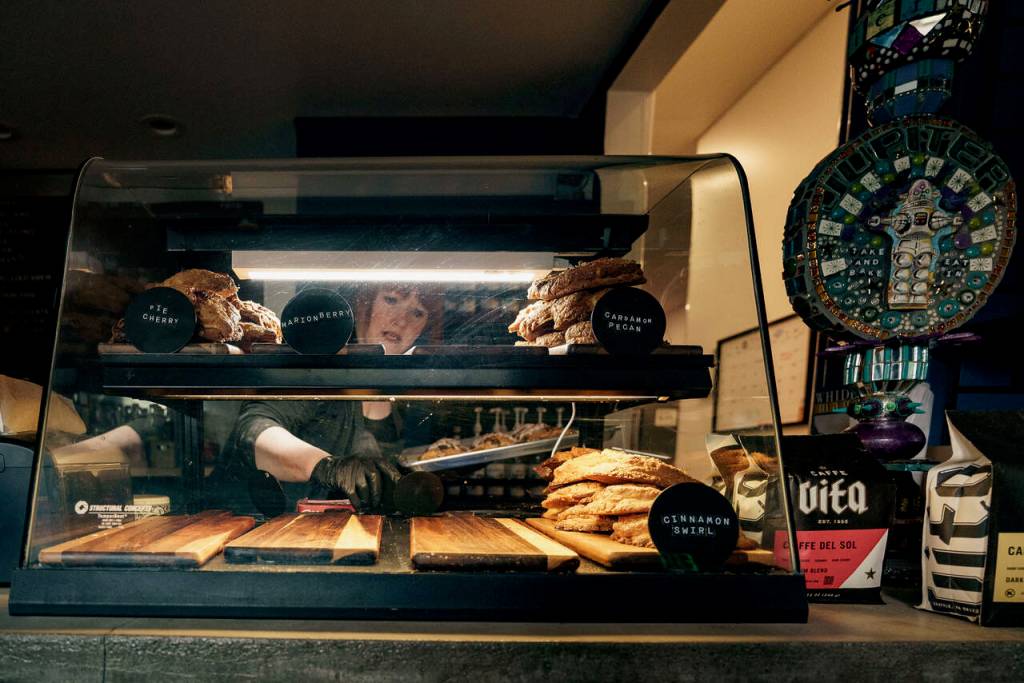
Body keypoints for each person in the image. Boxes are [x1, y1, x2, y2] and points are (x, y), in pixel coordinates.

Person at [218, 284, 443, 512]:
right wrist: (327, 467)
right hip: (261, 523)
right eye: (391, 300)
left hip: (345, 528)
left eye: (417, 312)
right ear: (362, 306)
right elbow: (255, 431)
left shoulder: (407, 398)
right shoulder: (320, 369)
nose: (401, 320)